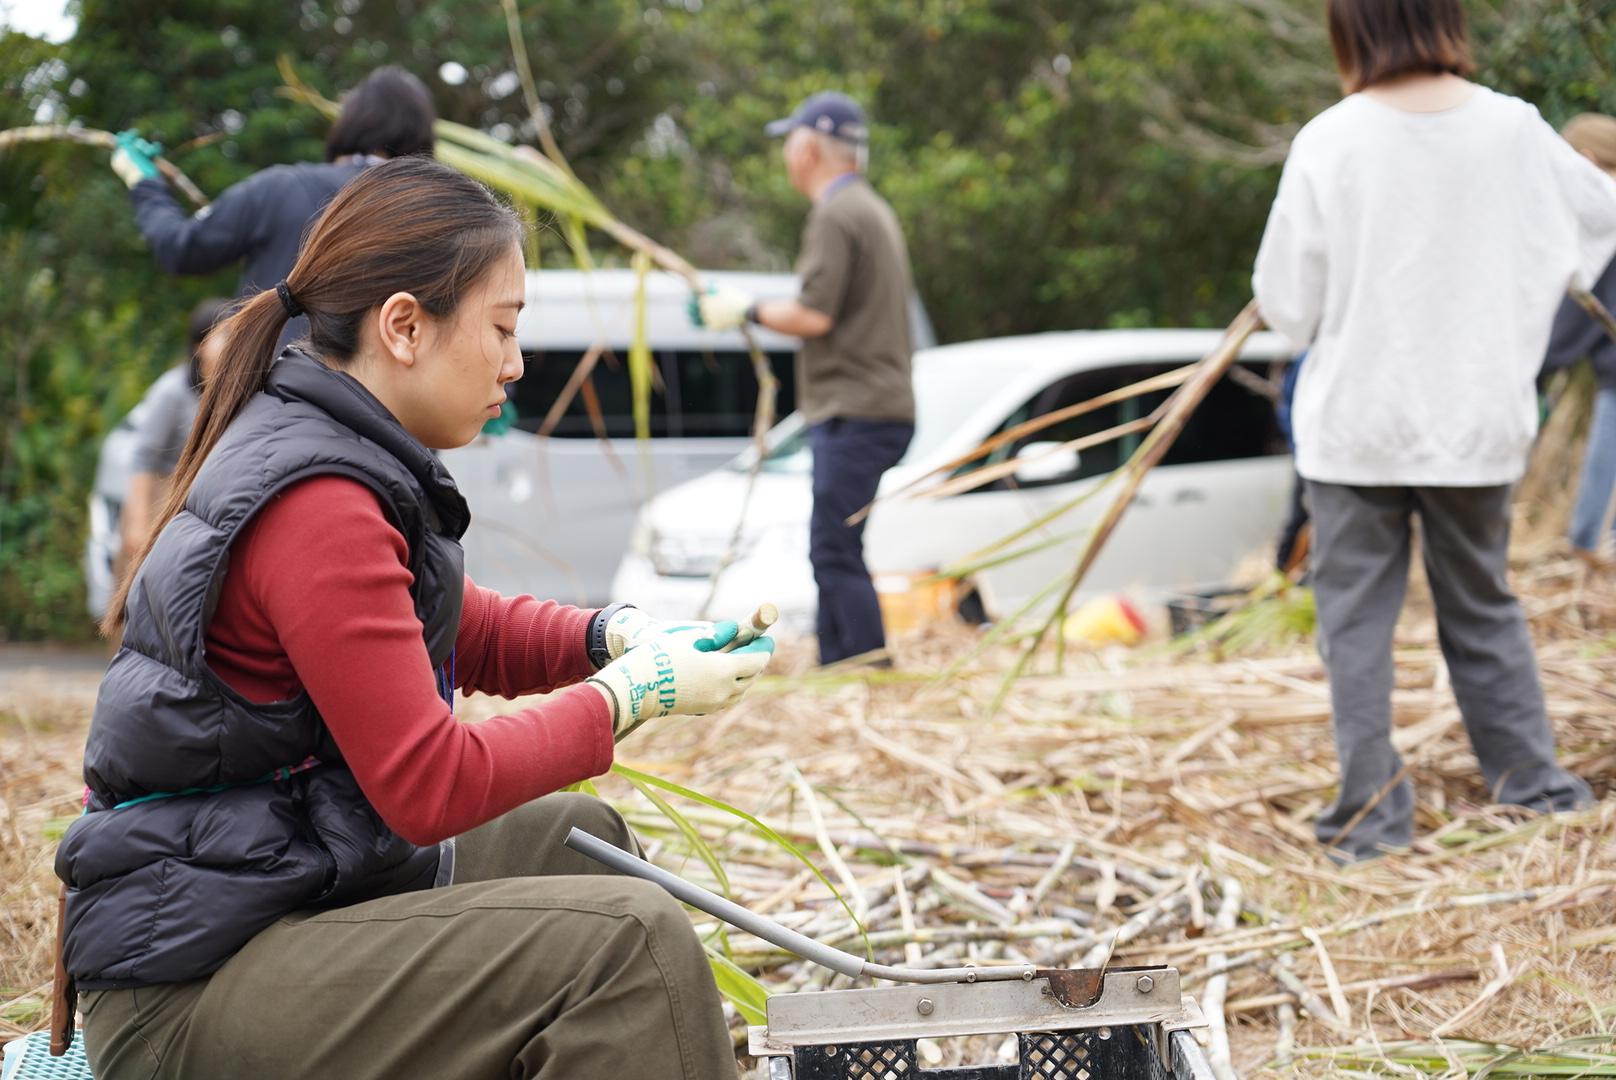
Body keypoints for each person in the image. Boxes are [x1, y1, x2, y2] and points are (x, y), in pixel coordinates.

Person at [58, 157, 773, 1080]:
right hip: (189, 990)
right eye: (503, 329)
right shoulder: (315, 499)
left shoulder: (329, 448)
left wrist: (615, 636)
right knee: (625, 946)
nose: (516, 364)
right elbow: (427, 786)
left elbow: (453, 625)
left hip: (273, 887)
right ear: (404, 326)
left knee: (575, 842)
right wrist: (628, 699)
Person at [1252, 0, 1616, 861]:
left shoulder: (1332, 139)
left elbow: (1289, 308)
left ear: (1354, 30)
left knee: (1355, 623)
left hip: (1357, 427)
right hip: (1475, 421)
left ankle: (1370, 819)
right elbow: (1596, 230)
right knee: (1482, 605)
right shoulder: (1518, 132)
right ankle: (1534, 789)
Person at [689, 92, 916, 665]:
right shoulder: (869, 208)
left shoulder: (838, 214)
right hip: (873, 406)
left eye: (790, 142)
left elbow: (814, 315)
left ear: (808, 147)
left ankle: (865, 669)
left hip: (857, 409)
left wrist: (744, 309)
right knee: (834, 548)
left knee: (834, 550)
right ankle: (840, 663)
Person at [109, 66, 436, 346]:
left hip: (265, 402)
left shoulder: (280, 188)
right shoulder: (432, 219)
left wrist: (144, 182)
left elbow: (181, 248)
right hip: (382, 415)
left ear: (351, 123)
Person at [1542, 113, 1616, 568]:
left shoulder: (1603, 215)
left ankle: (1589, 549)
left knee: (1603, 472)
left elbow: (1575, 315)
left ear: (1586, 161)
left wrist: (1534, 365)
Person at [118, 298, 230, 560]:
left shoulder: (234, 397)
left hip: (197, 517)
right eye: (225, 334)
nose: (233, 342)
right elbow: (144, 458)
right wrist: (138, 526)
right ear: (199, 345)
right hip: (159, 506)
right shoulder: (172, 392)